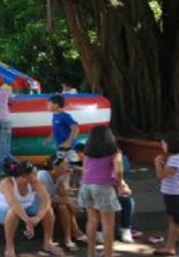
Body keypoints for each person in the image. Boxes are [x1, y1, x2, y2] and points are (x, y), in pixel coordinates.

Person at [0, 161, 65, 257]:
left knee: (48, 209)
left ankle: (48, 242)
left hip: (27, 207)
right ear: (24, 175)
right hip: (3, 211)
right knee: (13, 211)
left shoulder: (34, 181)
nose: (37, 174)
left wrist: (38, 218)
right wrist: (28, 221)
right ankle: (9, 247)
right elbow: (14, 204)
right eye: (34, 172)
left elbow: (46, 200)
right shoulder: (7, 182)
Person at [78, 125, 123, 257]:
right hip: (103, 187)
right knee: (108, 224)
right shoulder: (115, 151)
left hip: (86, 186)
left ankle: (91, 253)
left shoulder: (87, 150)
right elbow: (119, 171)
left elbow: (85, 168)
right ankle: (108, 254)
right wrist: (119, 185)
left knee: (92, 221)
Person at [37, 156, 86, 252]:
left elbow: (64, 194)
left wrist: (66, 179)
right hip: (39, 203)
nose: (68, 165)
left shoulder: (62, 175)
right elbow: (44, 200)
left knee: (63, 206)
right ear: (56, 167)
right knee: (65, 202)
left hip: (52, 201)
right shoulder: (42, 175)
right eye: (65, 164)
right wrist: (68, 201)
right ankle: (76, 232)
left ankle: (68, 238)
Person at [44, 95, 80, 164]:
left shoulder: (65, 116)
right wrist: (50, 138)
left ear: (56, 105)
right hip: (60, 145)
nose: (47, 106)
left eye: (49, 104)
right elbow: (55, 128)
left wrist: (68, 142)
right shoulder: (55, 115)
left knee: (73, 164)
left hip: (69, 147)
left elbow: (76, 129)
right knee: (63, 166)